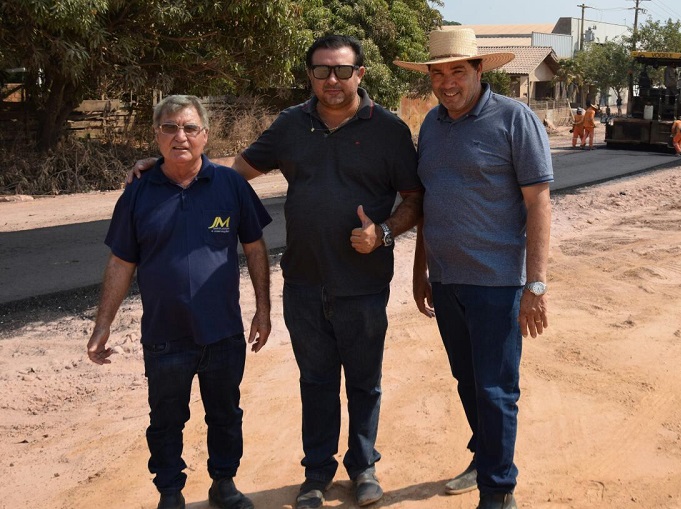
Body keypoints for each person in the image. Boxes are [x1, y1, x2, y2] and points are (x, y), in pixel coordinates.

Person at [131, 35, 422, 509]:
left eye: (343, 70)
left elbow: (414, 200)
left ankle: (364, 467)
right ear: (309, 74)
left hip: (364, 285)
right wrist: (172, 162)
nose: (332, 79)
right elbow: (228, 173)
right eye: (322, 70)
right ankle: (317, 475)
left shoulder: (388, 130)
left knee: (364, 380)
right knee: (316, 382)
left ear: (361, 74)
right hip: (304, 284)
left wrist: (384, 234)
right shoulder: (291, 124)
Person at [88, 95, 273, 509]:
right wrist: (103, 325)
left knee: (225, 414)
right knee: (166, 419)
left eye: (190, 127)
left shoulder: (231, 186)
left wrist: (263, 309)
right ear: (156, 136)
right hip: (165, 336)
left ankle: (224, 483)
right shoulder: (138, 193)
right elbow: (120, 262)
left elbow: (255, 247)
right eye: (169, 127)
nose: (180, 136)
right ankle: (170, 492)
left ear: (205, 135)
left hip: (222, 331)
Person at [394, 28, 553, 509]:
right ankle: (483, 455)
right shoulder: (433, 127)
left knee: (496, 389)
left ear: (479, 71)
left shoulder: (515, 119)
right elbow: (429, 205)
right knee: (468, 382)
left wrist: (535, 284)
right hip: (446, 282)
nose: (446, 82)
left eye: (457, 71)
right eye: (437, 73)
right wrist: (422, 271)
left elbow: (539, 203)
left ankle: (498, 491)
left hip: (497, 283)